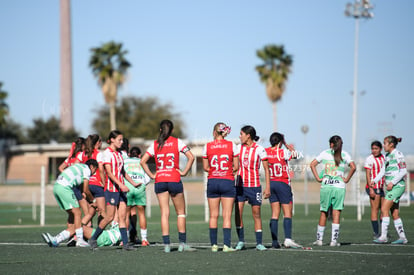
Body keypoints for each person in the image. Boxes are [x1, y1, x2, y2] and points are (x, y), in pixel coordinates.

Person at [140, 119, 195, 253]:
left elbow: (142, 161)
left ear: (160, 130)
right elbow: (191, 157)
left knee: (164, 214)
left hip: (160, 180)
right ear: (172, 130)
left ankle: (166, 246)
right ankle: (182, 244)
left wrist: (153, 175)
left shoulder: (155, 144)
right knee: (181, 213)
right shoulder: (177, 142)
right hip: (174, 178)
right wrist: (184, 172)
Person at [88, 130, 140, 251]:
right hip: (111, 189)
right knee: (109, 217)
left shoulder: (120, 154)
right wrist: (121, 185)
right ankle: (93, 238)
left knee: (122, 217)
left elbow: (122, 172)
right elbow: (110, 174)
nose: (121, 142)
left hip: (121, 189)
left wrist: (133, 183)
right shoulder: (107, 153)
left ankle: (126, 244)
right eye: (119, 140)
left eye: (122, 140)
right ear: (112, 140)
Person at [310, 135, 356, 247]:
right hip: (339, 187)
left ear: (331, 144)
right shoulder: (344, 154)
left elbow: (312, 164)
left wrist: (317, 178)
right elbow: (353, 167)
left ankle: (319, 240)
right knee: (336, 213)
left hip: (326, 186)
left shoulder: (325, 153)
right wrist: (346, 179)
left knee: (323, 212)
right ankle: (333, 241)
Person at [41, 159, 98, 247]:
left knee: (74, 218)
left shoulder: (79, 166)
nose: (94, 173)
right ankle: (80, 239)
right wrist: (93, 201)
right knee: (78, 213)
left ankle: (56, 239)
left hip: (56, 187)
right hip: (65, 188)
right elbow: (86, 189)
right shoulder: (87, 169)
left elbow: (80, 184)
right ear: (92, 167)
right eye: (95, 170)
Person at [202, 122, 239, 252]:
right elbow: (236, 167)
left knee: (213, 215)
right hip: (227, 181)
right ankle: (227, 245)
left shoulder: (207, 146)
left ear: (214, 132)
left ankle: (214, 245)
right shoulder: (232, 145)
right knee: (227, 216)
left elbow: (206, 167)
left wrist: (215, 171)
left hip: (212, 181)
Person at [234, 125, 270, 251]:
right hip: (239, 186)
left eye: (241, 134)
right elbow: (233, 165)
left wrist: (267, 187)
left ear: (248, 135)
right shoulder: (238, 148)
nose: (239, 136)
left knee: (256, 214)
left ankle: (259, 243)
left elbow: (266, 169)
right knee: (238, 213)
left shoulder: (260, 149)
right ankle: (241, 241)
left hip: (254, 186)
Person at [265, 132, 302, 249]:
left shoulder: (266, 151)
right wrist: (286, 144)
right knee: (287, 213)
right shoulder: (283, 152)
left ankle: (275, 241)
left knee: (275, 213)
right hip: (283, 183)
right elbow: (297, 154)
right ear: (280, 142)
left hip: (271, 183)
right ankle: (287, 239)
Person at [372, 136, 408, 244]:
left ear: (391, 144)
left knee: (383, 209)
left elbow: (403, 171)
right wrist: (375, 180)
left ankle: (383, 237)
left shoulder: (398, 154)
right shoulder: (387, 156)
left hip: (397, 187)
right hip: (390, 188)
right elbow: (383, 171)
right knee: (394, 213)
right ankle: (403, 238)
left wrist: (392, 183)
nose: (383, 145)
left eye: (385, 143)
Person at [123, 146, 151, 246]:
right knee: (142, 214)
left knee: (125, 215)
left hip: (128, 187)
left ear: (129, 154)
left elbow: (121, 174)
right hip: (139, 187)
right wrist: (142, 185)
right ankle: (144, 239)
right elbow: (147, 178)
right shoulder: (142, 161)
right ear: (139, 155)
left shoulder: (125, 161)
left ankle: (124, 240)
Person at [80, 134, 106, 228]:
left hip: (86, 185)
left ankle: (78, 234)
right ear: (97, 143)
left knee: (90, 213)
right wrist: (104, 183)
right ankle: (98, 236)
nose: (101, 143)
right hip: (97, 185)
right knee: (101, 212)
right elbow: (101, 169)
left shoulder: (84, 154)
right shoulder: (98, 153)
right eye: (100, 141)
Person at [364, 140, 385, 239]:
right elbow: (368, 175)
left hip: (382, 188)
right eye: (372, 149)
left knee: (384, 210)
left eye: (376, 148)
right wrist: (371, 189)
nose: (374, 150)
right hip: (373, 187)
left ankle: (383, 232)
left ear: (381, 149)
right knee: (375, 209)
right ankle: (376, 232)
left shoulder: (384, 158)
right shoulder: (369, 159)